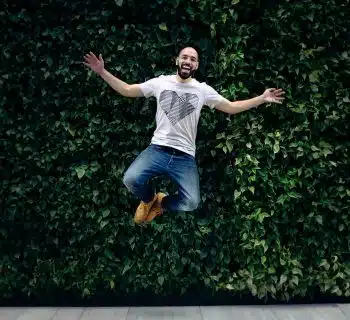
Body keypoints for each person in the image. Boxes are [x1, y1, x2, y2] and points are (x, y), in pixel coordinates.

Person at [83, 47, 285, 224]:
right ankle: (148, 199)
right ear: (177, 61)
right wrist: (102, 72)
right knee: (130, 179)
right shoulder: (160, 83)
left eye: (193, 59)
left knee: (191, 202)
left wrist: (261, 98)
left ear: (196, 66)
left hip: (184, 157)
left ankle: (161, 203)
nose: (188, 61)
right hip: (158, 150)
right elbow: (127, 90)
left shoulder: (202, 90)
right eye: (185, 57)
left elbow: (231, 107)